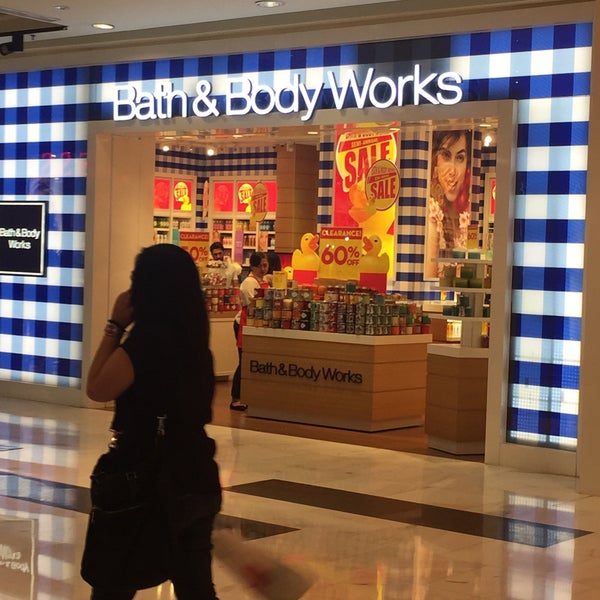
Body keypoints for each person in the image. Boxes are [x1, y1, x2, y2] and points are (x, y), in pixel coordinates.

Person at [85, 244, 221, 599]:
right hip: (196, 475)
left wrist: (114, 326)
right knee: (196, 589)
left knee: (113, 583)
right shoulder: (197, 346)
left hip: (145, 480)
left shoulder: (144, 345)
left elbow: (97, 388)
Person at [426, 129, 472, 278]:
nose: (452, 171)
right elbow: (428, 282)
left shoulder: (466, 215)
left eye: (460, 158)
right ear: (435, 160)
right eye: (446, 155)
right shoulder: (431, 214)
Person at [230, 251, 269, 411]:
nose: (264, 269)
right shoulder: (249, 283)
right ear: (253, 266)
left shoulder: (263, 280)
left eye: (266, 265)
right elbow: (254, 305)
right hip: (244, 324)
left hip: (254, 324)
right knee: (244, 361)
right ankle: (236, 398)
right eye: (261, 266)